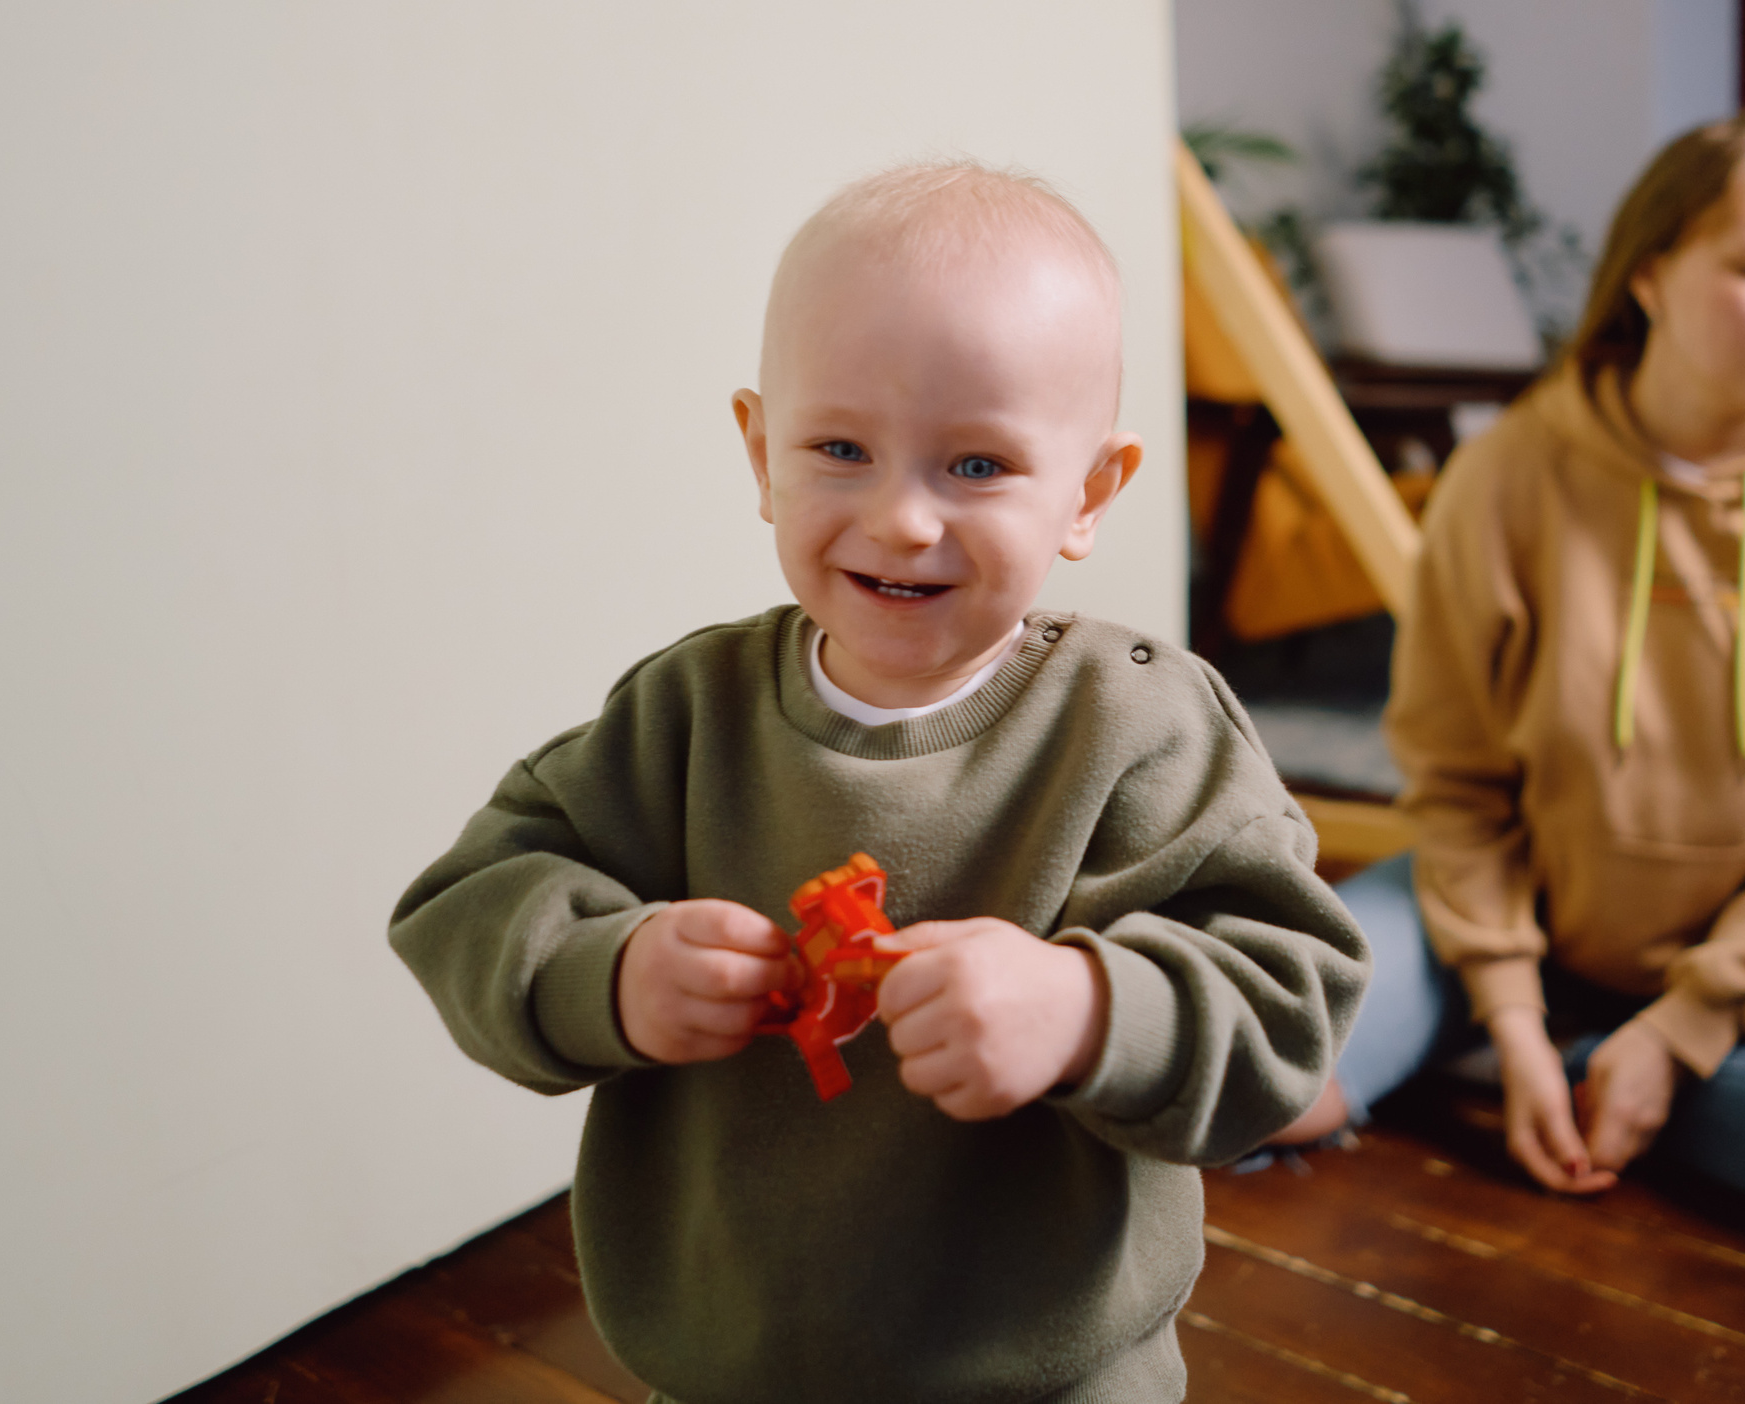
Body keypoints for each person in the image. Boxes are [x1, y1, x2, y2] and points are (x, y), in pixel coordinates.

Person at [390, 163, 1368, 1404]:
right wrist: (610, 968)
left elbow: (1285, 1011)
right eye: (841, 448)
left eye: (975, 465)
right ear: (760, 452)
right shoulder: (685, 716)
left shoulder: (1140, 729)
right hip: (724, 1361)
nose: (902, 519)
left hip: (1053, 1370)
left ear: (1090, 493)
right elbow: (469, 899)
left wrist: (1085, 1009)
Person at [1271, 109, 1745, 1227]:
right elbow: (1457, 782)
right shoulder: (1508, 473)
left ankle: (1586, 1069)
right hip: (1507, 911)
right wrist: (1509, 1007)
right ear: (1650, 275)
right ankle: (1528, 1052)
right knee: (1260, 1082)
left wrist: (1678, 1031)